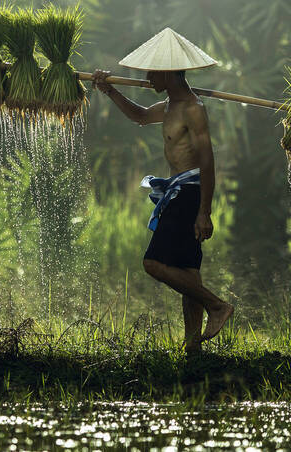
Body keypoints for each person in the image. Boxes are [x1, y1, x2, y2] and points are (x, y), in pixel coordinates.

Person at [90, 28, 234, 353]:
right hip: (177, 192)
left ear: (168, 71)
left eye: (152, 71)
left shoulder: (193, 108)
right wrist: (109, 90)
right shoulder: (169, 105)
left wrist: (204, 211)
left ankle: (217, 306)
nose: (147, 76)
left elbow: (208, 162)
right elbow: (140, 117)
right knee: (188, 273)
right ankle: (193, 348)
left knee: (153, 264)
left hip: (189, 195)